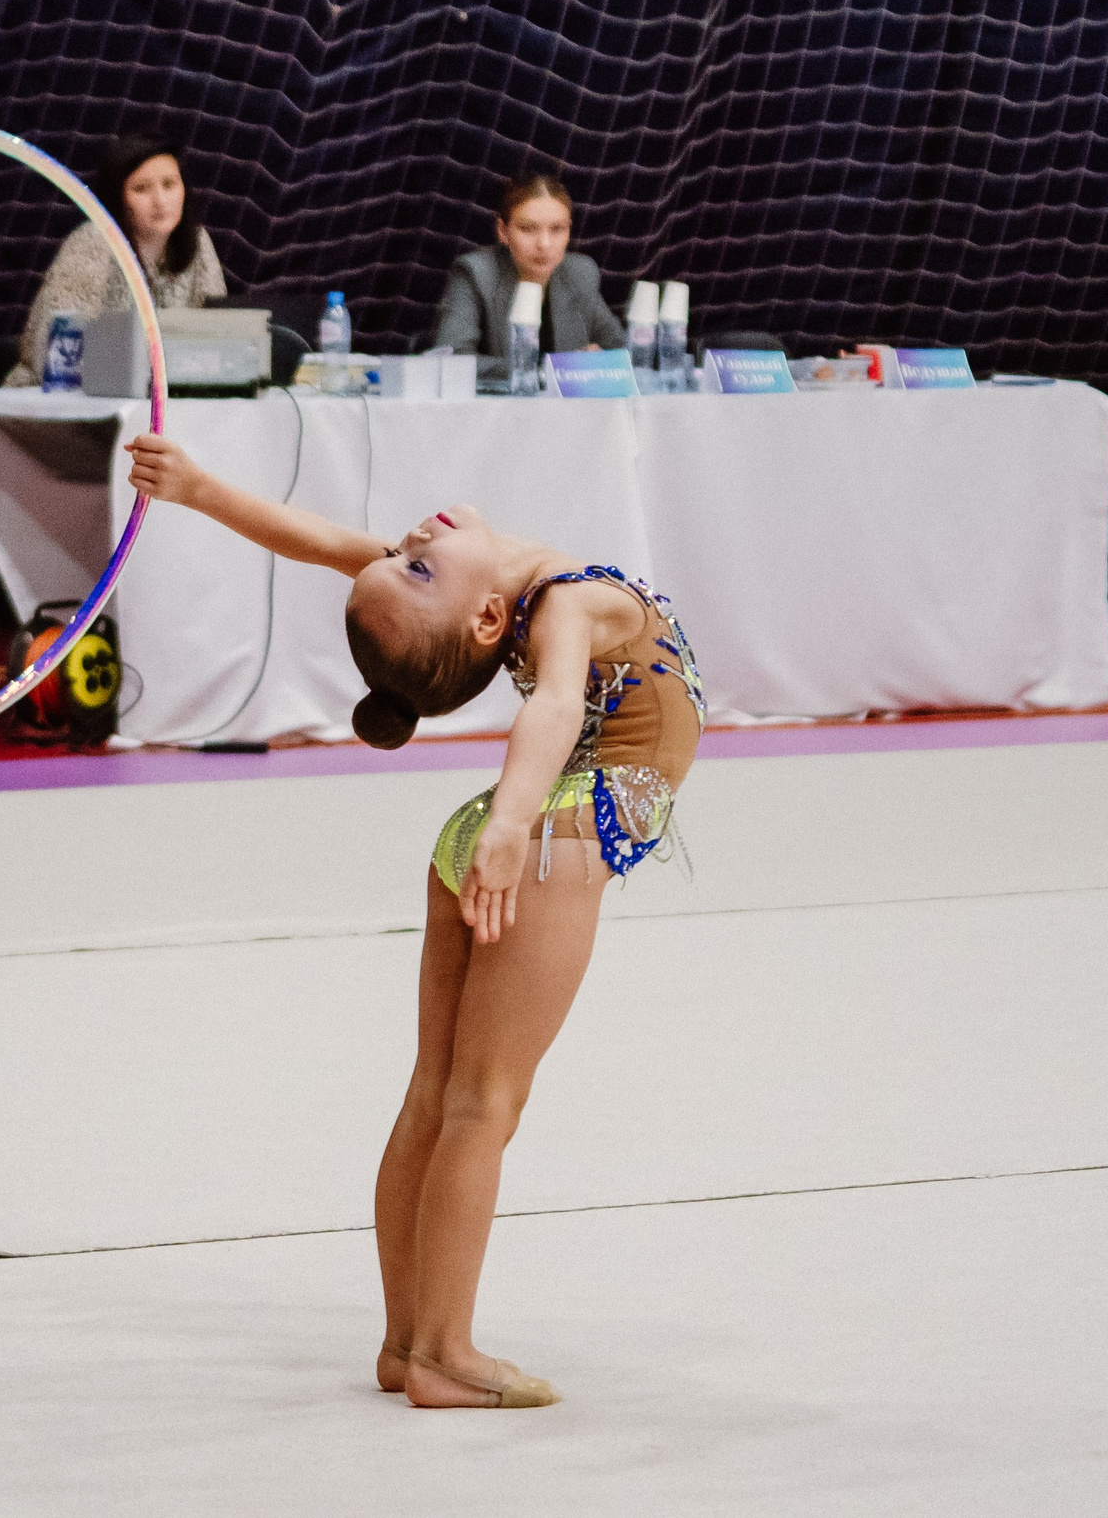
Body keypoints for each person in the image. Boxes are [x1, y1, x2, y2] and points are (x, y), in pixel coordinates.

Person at [125, 431, 703, 1410]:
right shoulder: (563, 604)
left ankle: (405, 1343)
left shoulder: (505, 596)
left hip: (499, 831)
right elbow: (555, 705)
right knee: (485, 1103)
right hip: (552, 832)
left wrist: (200, 489)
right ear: (484, 618)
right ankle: (445, 1353)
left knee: (438, 1092)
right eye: (414, 564)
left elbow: (315, 542)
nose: (399, 544)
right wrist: (518, 822)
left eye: (399, 561)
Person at [6, 134, 227, 385]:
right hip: (59, 401)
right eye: (141, 188)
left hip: (163, 398)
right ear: (118, 198)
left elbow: (217, 336)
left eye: (169, 184)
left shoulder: (197, 240)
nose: (160, 200)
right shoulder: (91, 242)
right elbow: (57, 353)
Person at [432, 173, 625, 391]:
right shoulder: (475, 273)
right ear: (503, 231)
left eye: (557, 229)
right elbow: (452, 360)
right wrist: (552, 371)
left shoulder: (579, 273)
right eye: (528, 229)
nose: (544, 244)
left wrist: (601, 361)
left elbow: (622, 351)